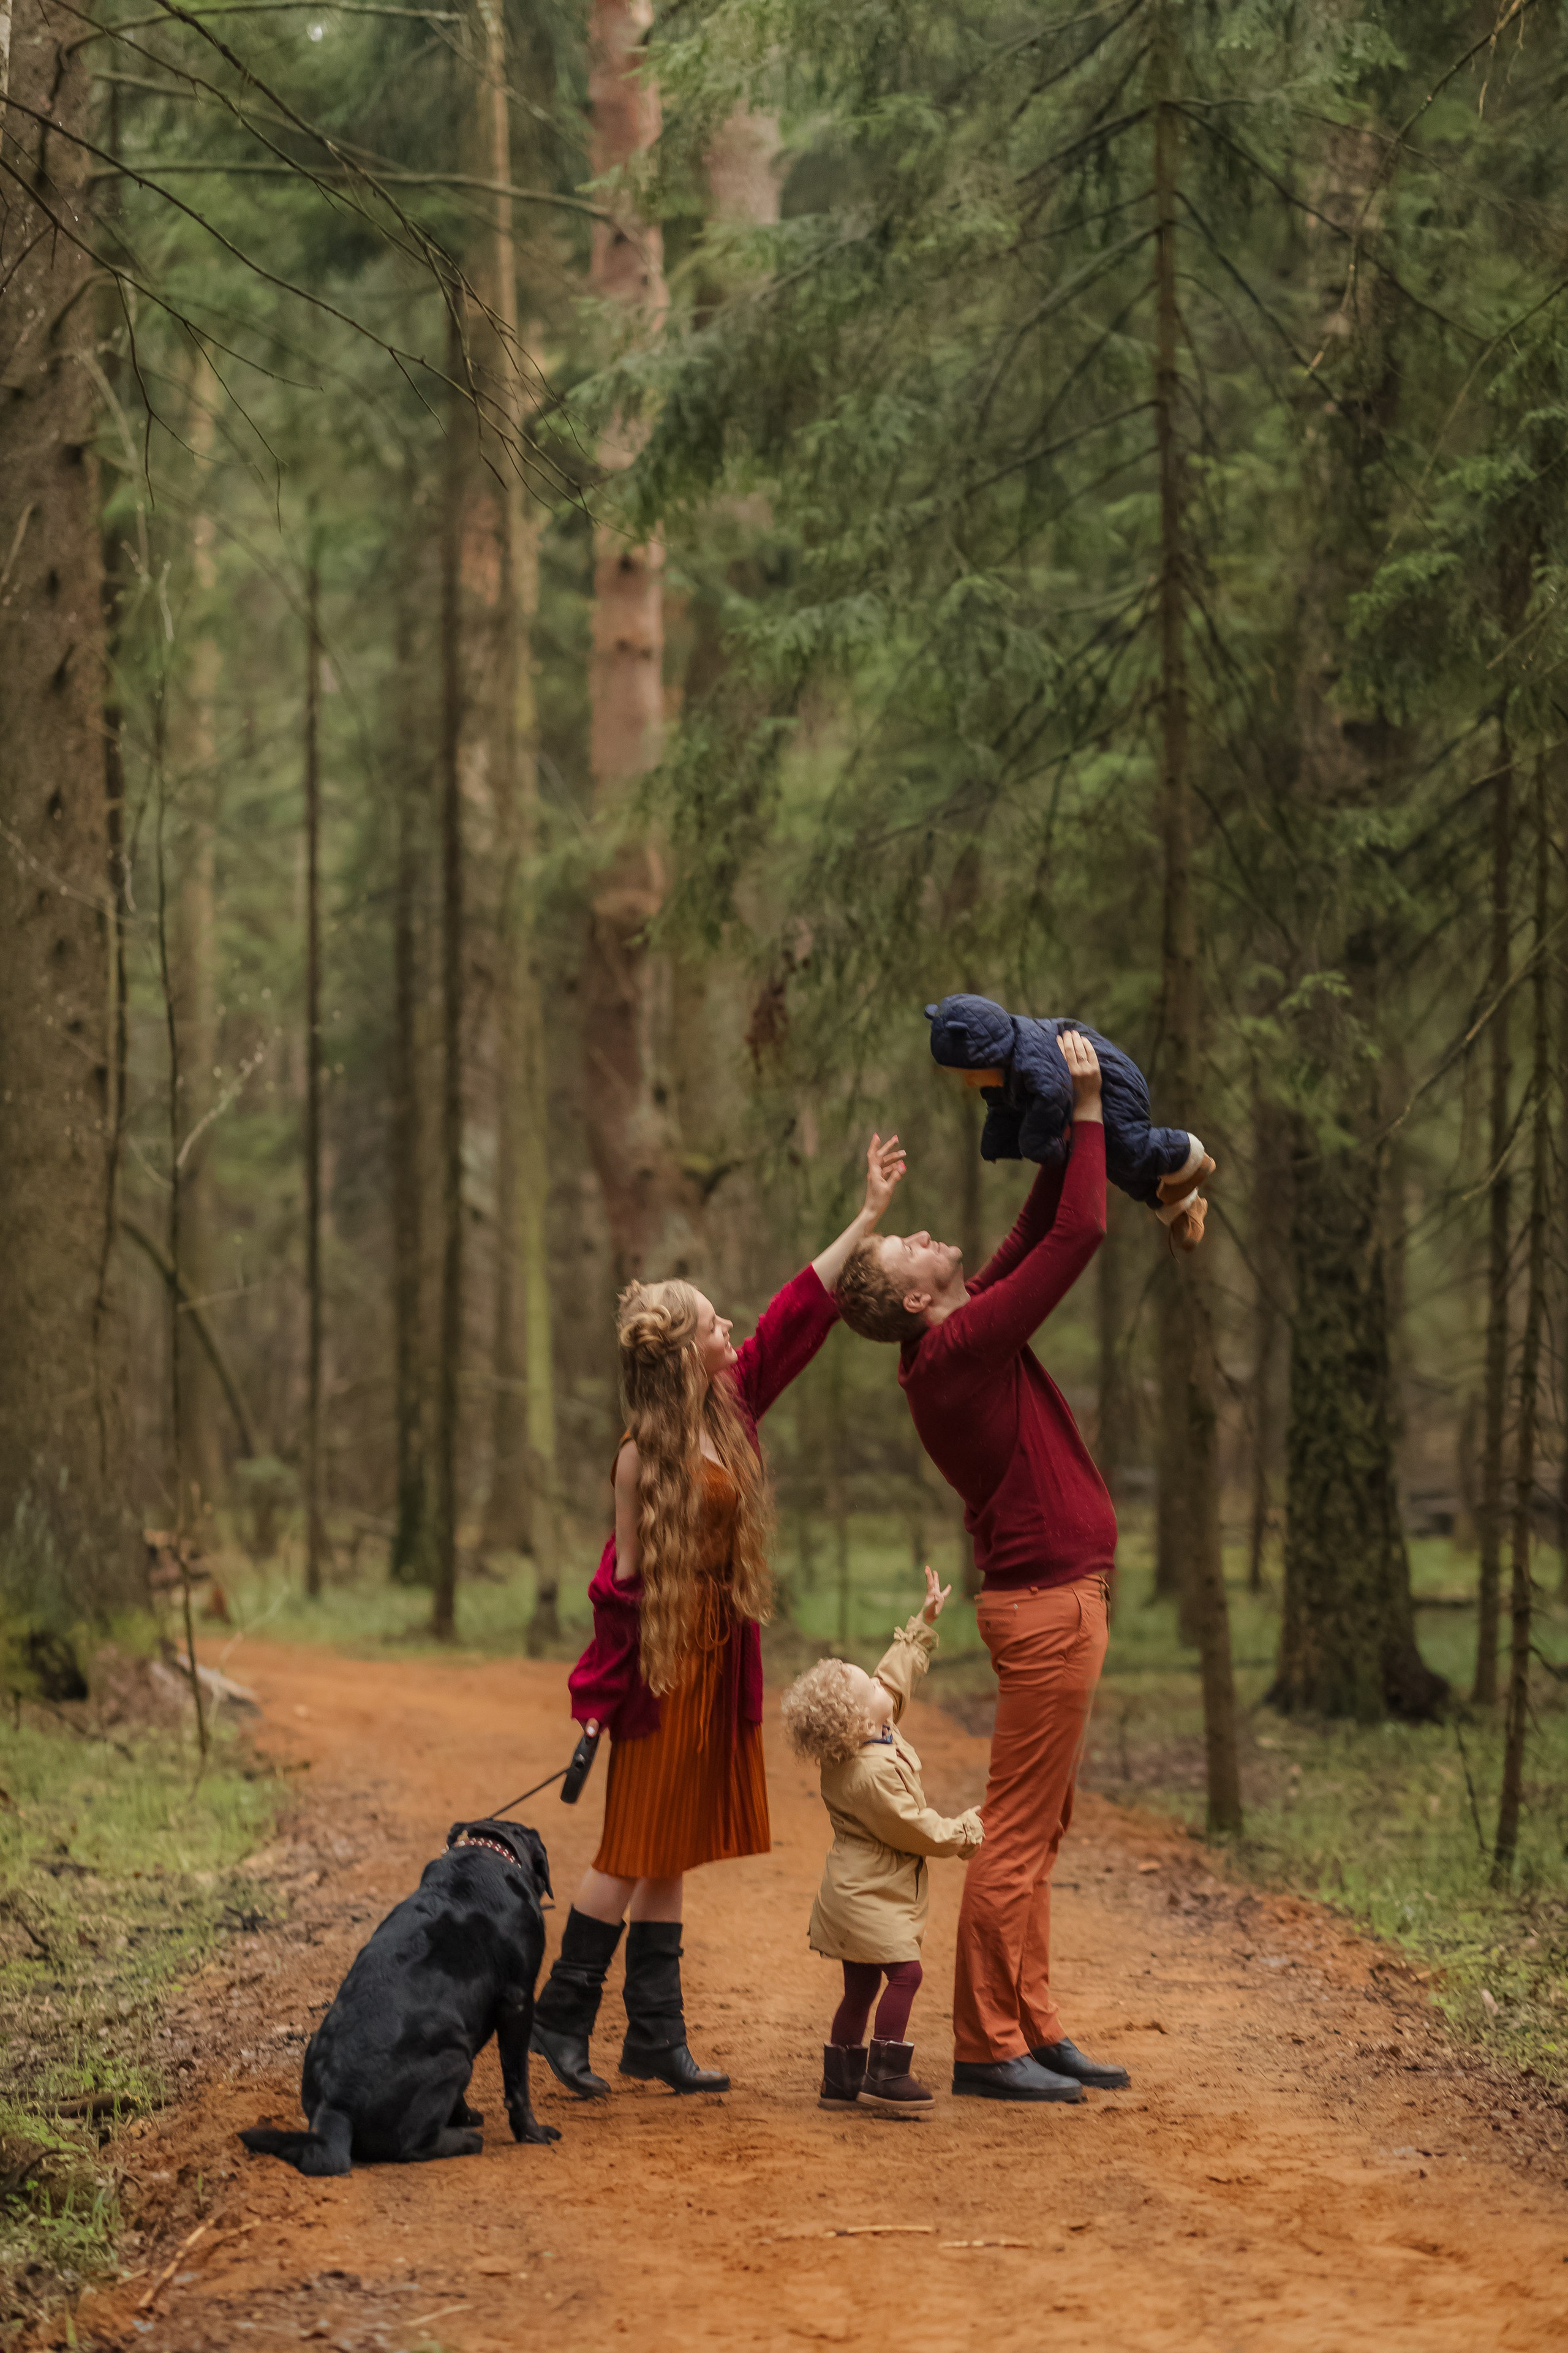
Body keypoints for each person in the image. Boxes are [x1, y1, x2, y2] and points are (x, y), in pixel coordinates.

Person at [530, 1133, 907, 2100]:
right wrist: (597, 1699)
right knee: (628, 1850)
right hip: (659, 1675)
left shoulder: (729, 1410)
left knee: (675, 1850)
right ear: (684, 1349)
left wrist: (866, 1217)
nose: (729, 1324)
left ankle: (656, 2036)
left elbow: (793, 1313)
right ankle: (560, 2019)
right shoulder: (640, 1455)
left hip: (715, 1660)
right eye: (711, 1320)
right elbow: (619, 1592)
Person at [831, 1031, 1130, 2105]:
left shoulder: (957, 1333)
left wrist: (1051, 1127)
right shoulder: (954, 1356)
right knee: (1014, 1834)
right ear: (916, 1301)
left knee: (1038, 1828)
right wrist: (1090, 1111)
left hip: (1057, 1600)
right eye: (907, 1248)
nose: (921, 1234)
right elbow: (1082, 1230)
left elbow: (1035, 1223)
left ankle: (1033, 2024)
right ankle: (983, 2044)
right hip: (1049, 1609)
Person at [781, 1565, 983, 2118]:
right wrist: (966, 1829)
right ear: (853, 1719)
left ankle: (839, 2080)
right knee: (907, 1973)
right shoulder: (868, 1774)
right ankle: (886, 2073)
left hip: (853, 1893)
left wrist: (923, 1623)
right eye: (866, 1685)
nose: (878, 1683)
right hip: (870, 1894)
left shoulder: (866, 1728)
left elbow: (892, 1678)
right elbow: (912, 1827)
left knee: (860, 1987)